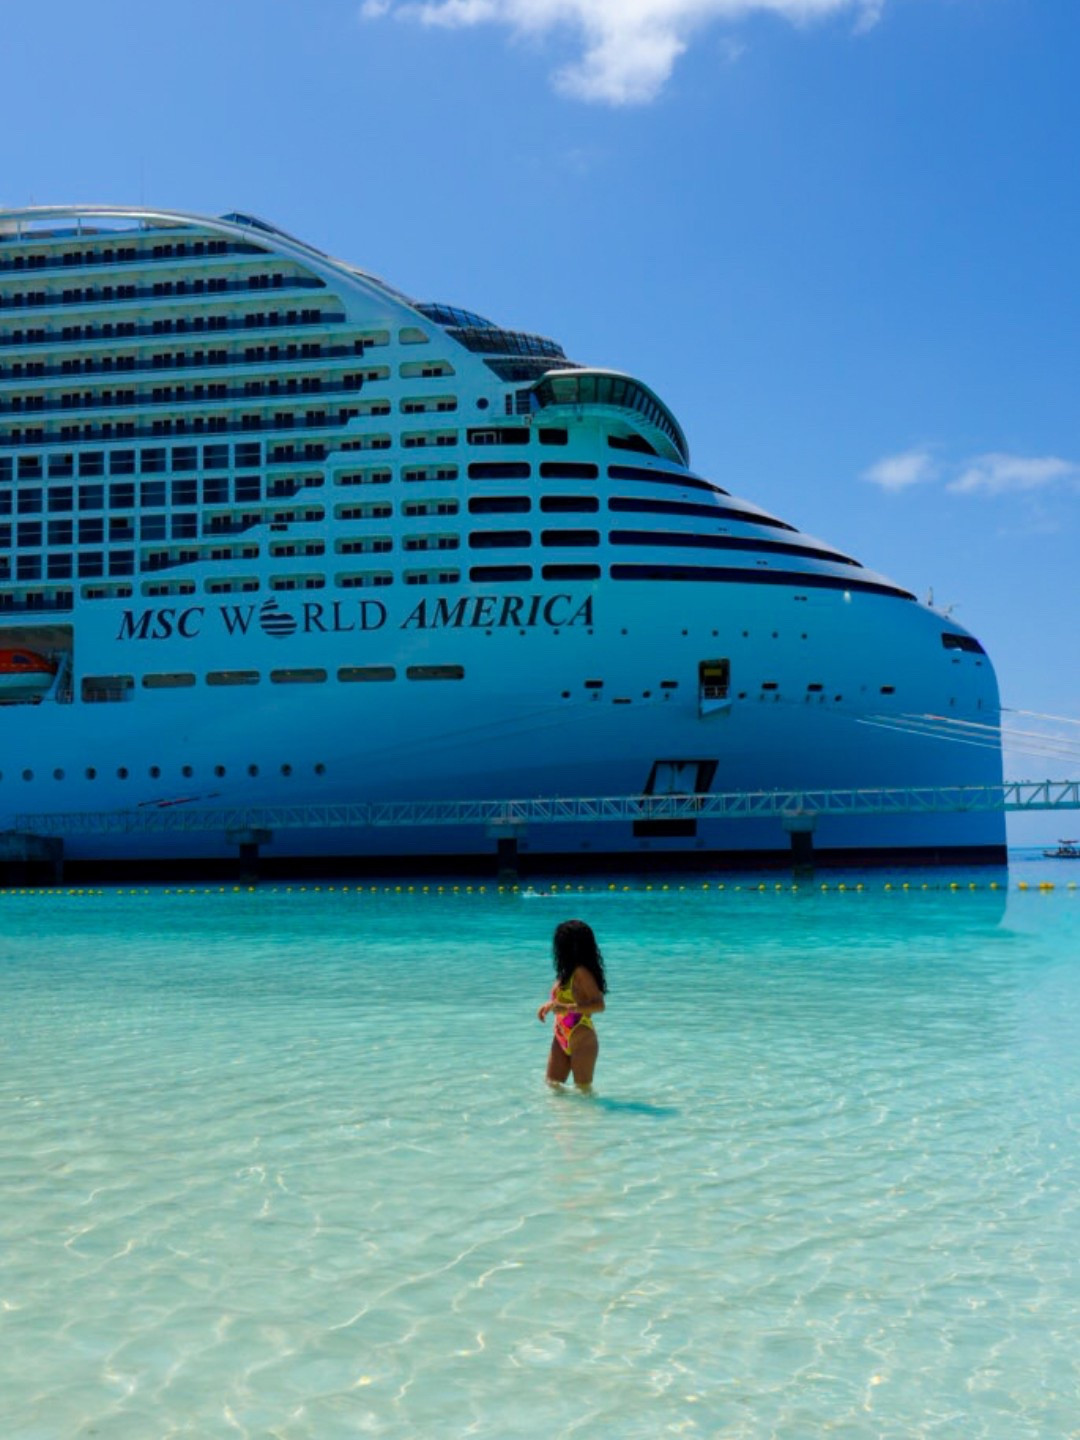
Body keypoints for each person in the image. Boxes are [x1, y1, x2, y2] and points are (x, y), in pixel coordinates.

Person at [536, 918, 607, 1087]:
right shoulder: (566, 973)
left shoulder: (581, 972)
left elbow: (599, 1005)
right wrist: (550, 1005)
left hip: (582, 1036)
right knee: (552, 1088)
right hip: (560, 1037)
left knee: (583, 1093)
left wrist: (565, 1007)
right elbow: (563, 1001)